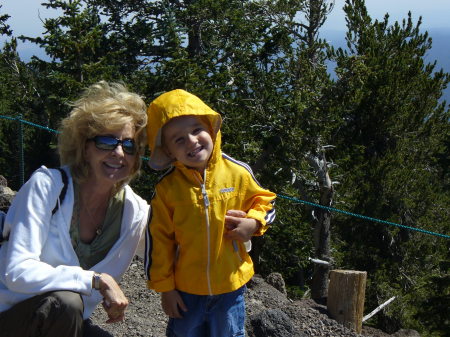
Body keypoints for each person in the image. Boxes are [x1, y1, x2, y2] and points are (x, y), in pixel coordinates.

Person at [0, 81, 149, 337]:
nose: (118, 153)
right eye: (106, 141)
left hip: (66, 322)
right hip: (10, 316)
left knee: (69, 308)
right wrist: (95, 280)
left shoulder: (134, 212)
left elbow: (173, 254)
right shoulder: (48, 187)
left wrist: (238, 226)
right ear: (85, 146)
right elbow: (17, 271)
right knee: (66, 303)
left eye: (129, 145)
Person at [144, 89, 276, 337]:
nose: (192, 141)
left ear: (211, 128)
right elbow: (158, 240)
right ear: (169, 152)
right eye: (179, 139)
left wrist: (253, 223)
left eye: (196, 130)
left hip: (230, 285)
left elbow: (266, 202)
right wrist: (166, 288)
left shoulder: (237, 172)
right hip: (185, 290)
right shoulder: (167, 189)